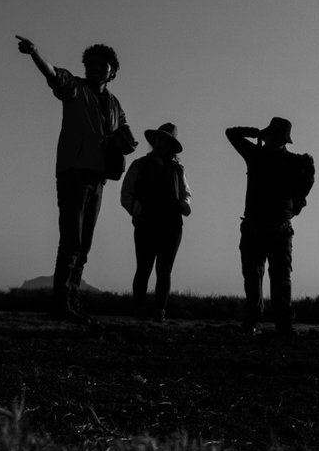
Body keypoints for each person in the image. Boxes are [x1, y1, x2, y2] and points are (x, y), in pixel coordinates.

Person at [16, 35, 137, 325]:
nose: (94, 68)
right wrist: (34, 53)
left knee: (84, 245)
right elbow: (53, 74)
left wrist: (125, 144)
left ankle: (71, 301)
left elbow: (125, 133)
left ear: (113, 71)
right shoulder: (75, 88)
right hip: (73, 173)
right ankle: (61, 304)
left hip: (98, 178)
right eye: (89, 64)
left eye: (100, 64)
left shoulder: (114, 104)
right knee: (71, 240)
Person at [226, 118, 316, 335]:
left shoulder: (257, 155)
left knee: (259, 275)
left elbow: (232, 133)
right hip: (274, 226)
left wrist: (255, 132)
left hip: (264, 226)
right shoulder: (295, 161)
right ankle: (280, 323)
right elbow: (304, 190)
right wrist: (295, 208)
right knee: (275, 276)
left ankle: (258, 321)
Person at [120, 122, 192, 321]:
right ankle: (140, 310)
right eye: (160, 139)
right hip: (146, 223)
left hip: (172, 224)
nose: (162, 143)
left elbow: (186, 194)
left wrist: (184, 205)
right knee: (143, 268)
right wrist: (137, 210)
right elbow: (126, 194)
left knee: (164, 270)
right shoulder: (139, 165)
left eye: (166, 140)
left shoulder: (178, 170)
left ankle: (160, 311)